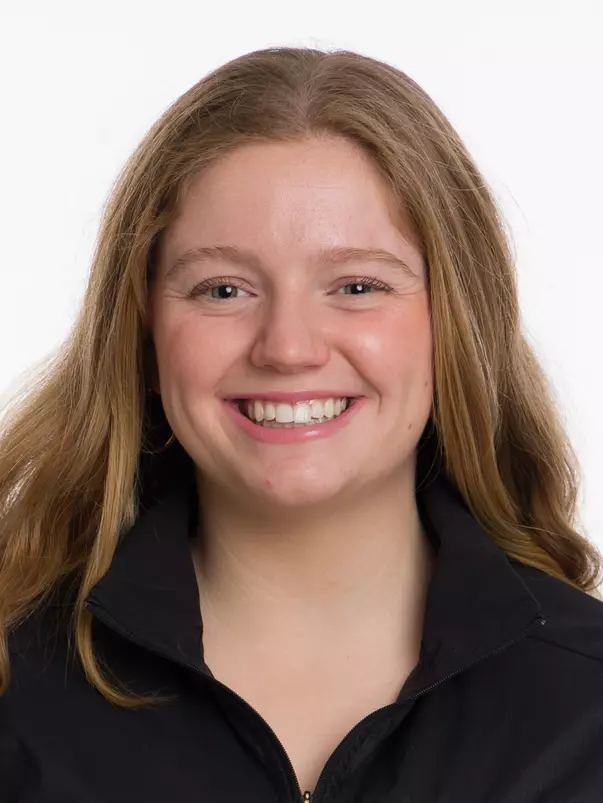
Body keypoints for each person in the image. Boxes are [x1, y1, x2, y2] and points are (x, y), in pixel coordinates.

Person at [1, 45, 602, 803]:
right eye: (223, 289)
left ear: (455, 318)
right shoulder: (15, 693)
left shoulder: (587, 707)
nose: (287, 347)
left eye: (356, 284)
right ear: (143, 326)